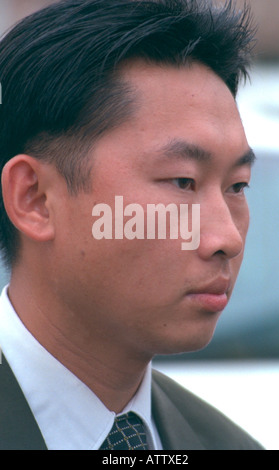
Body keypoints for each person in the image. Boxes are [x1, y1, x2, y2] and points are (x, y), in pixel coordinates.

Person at [0, 0, 263, 450]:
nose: (227, 239)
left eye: (237, 186)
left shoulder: (226, 442)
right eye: (183, 181)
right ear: (36, 199)